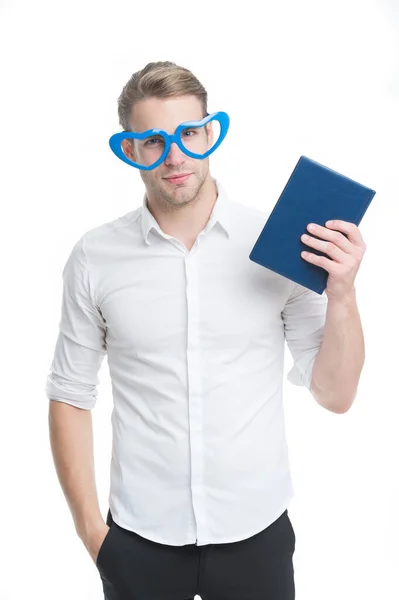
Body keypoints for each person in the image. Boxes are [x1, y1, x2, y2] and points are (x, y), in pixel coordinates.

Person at [46, 61, 366, 600]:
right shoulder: (94, 257)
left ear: (208, 132)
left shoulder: (277, 242)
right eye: (152, 140)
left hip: (256, 533)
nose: (175, 156)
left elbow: (335, 395)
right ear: (129, 149)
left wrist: (343, 293)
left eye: (188, 133)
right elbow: (70, 395)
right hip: (138, 539)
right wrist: (91, 534)